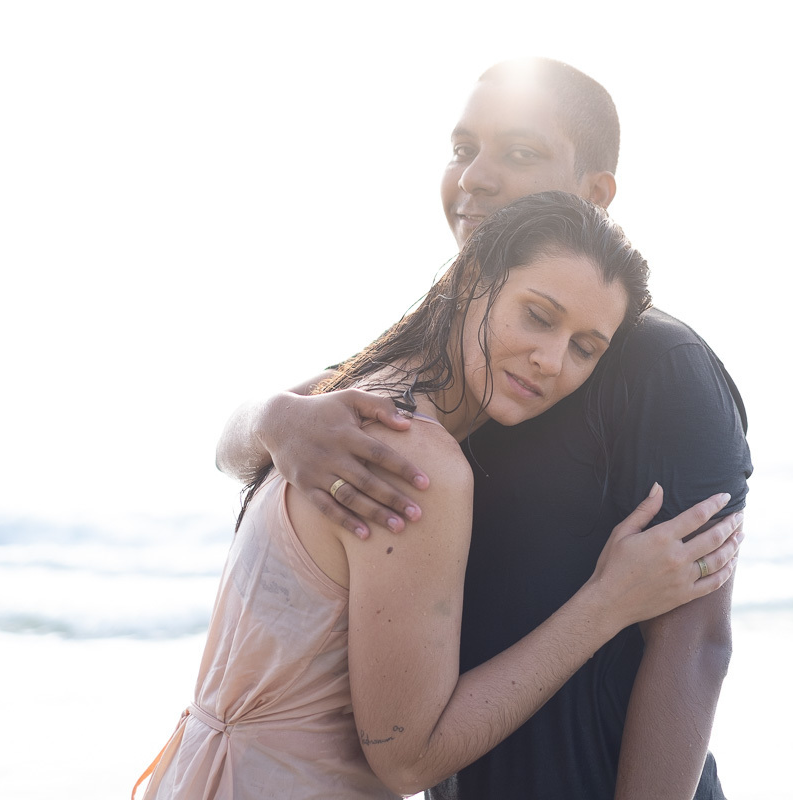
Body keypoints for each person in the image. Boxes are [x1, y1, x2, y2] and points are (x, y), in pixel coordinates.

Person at [216, 59, 752, 800]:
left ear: (595, 196)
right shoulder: (444, 355)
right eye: (464, 149)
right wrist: (279, 419)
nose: (475, 177)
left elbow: (698, 642)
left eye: (520, 153)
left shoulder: (662, 363)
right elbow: (232, 444)